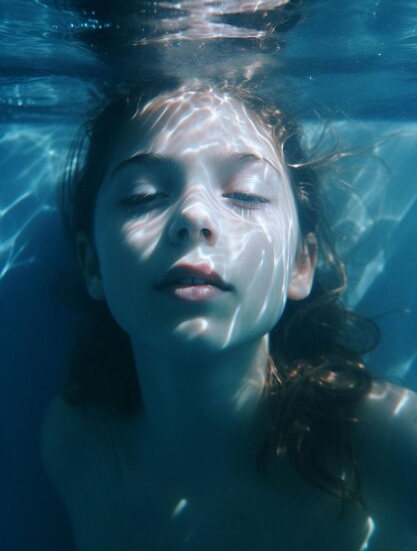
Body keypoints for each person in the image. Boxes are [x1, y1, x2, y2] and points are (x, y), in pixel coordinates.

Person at [41, 81, 417, 551]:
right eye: (142, 195)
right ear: (92, 263)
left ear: (300, 263)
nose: (195, 215)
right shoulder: (75, 446)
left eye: (246, 194)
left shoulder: (394, 445)